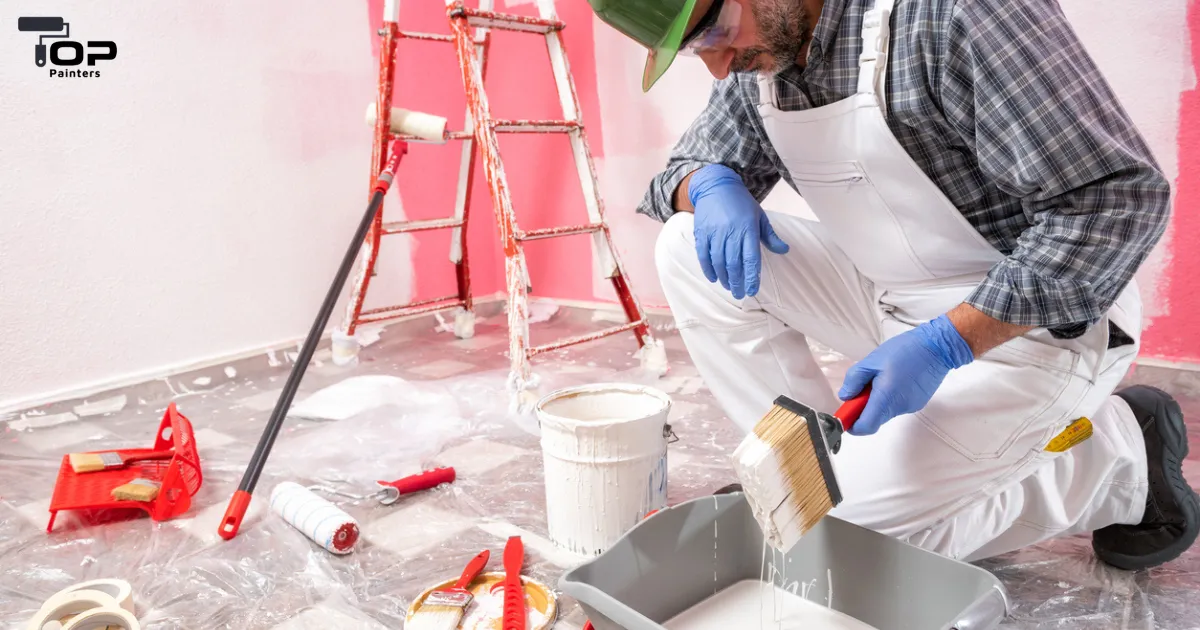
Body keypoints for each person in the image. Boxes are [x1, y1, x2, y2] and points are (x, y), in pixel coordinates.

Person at [586, 0, 1199, 570]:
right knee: (687, 243)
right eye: (696, 50)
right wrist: (707, 183)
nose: (720, 70)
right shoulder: (768, 48)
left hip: (1033, 330)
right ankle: (802, 472)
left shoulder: (954, 14)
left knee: (836, 546)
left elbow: (1116, 201)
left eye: (714, 32)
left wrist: (947, 344)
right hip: (891, 300)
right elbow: (677, 175)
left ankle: (1116, 465)